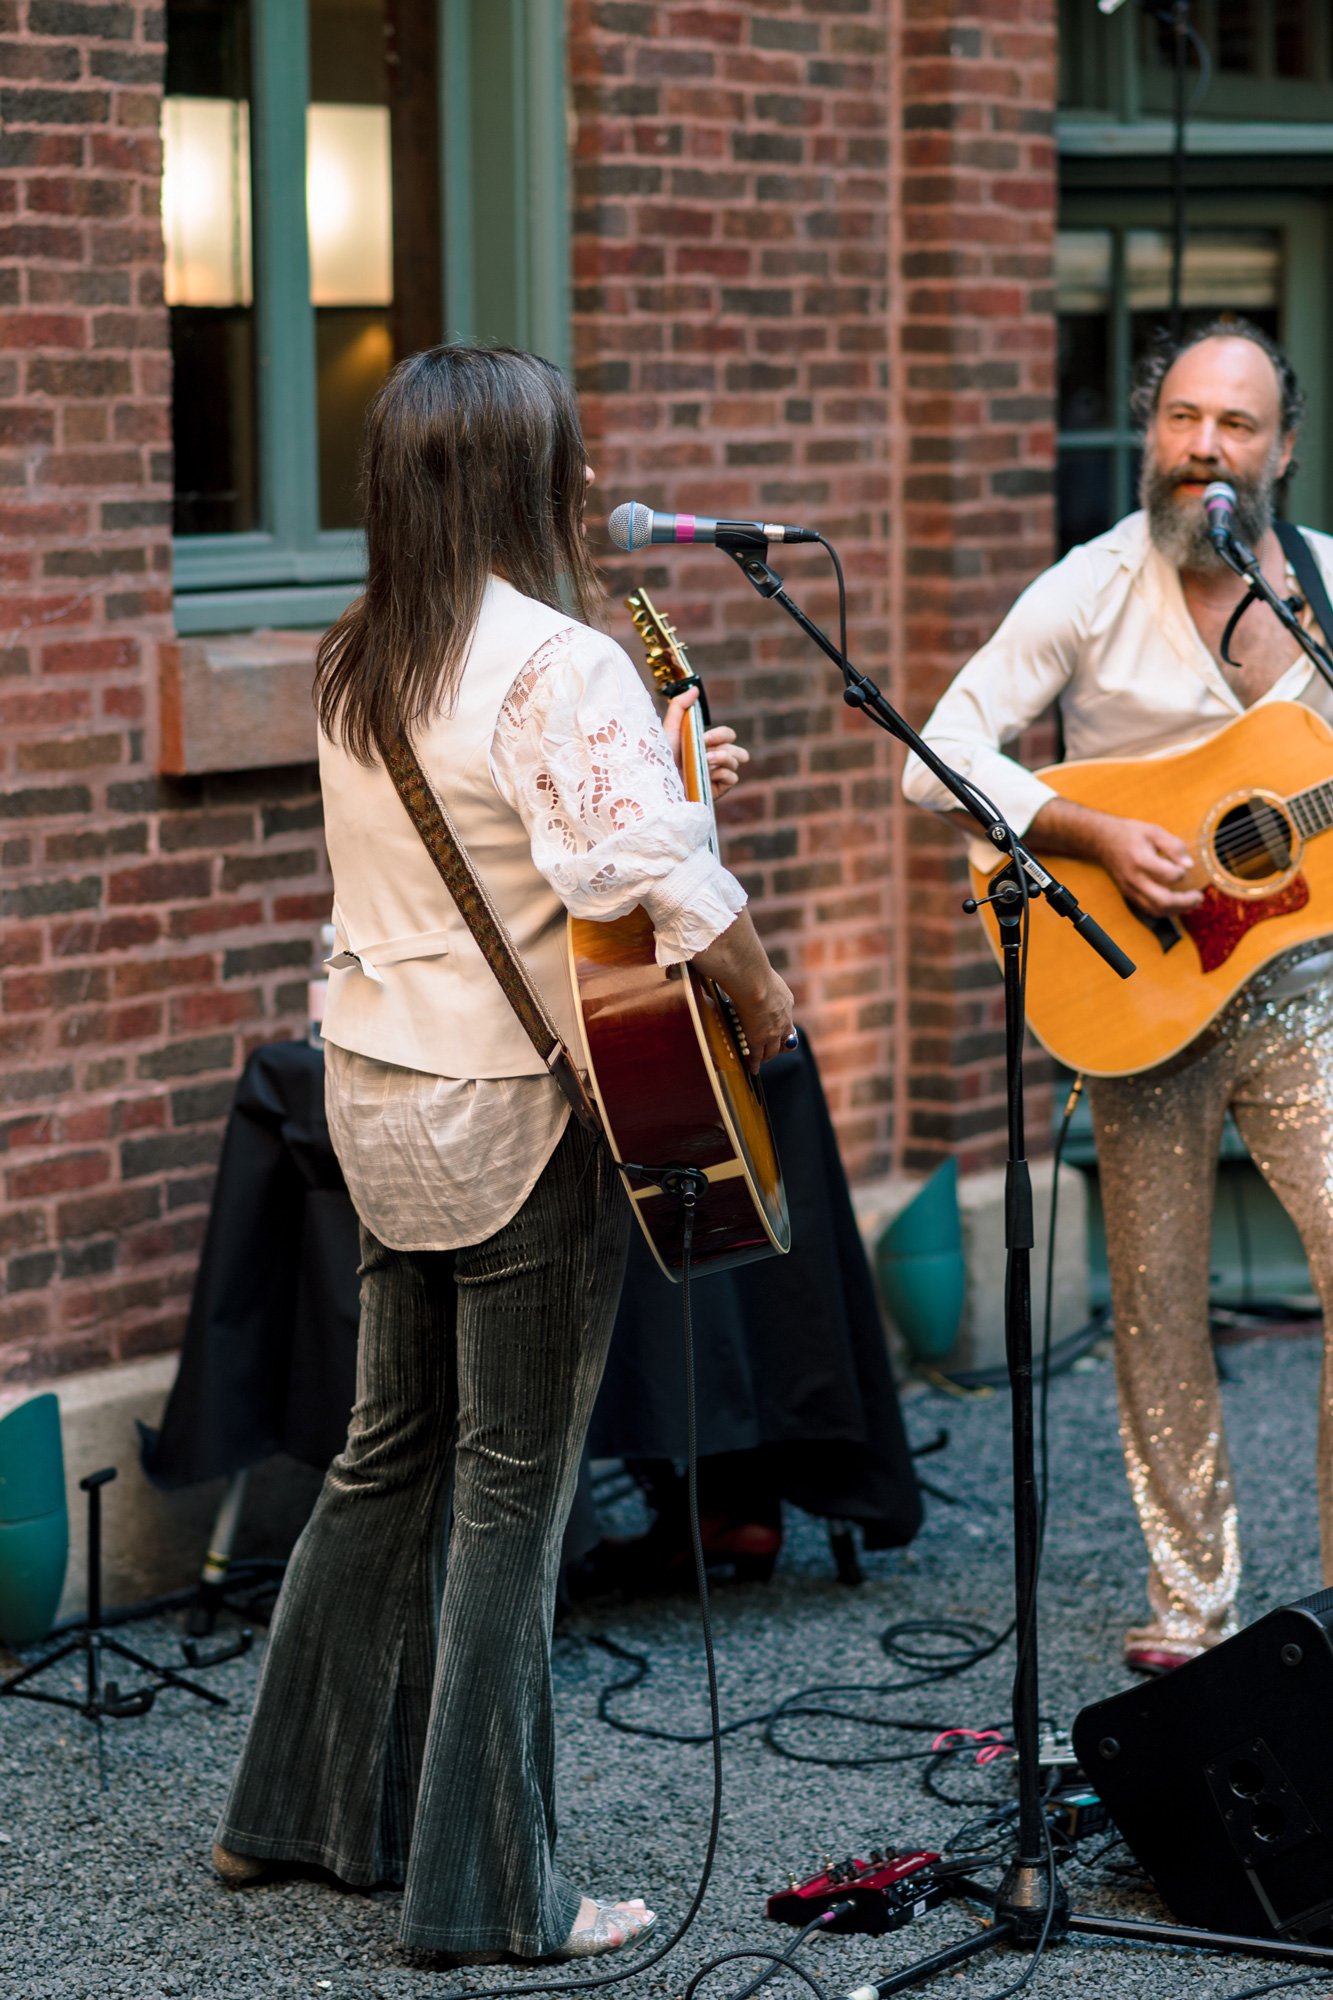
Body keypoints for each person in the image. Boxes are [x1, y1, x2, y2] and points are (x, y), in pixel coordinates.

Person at [210, 345, 794, 1961]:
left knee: (386, 1452)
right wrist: (760, 991)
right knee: (509, 1500)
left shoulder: (354, 656)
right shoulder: (558, 661)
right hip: (520, 1112)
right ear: (522, 481)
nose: (587, 483)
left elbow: (546, 845)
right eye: (567, 460)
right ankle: (491, 1895)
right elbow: (636, 886)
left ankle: (293, 1812)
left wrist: (666, 787)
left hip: (379, 1090)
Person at [902, 319, 1333, 1676]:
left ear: (1280, 448)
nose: (1205, 445)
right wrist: (1083, 831)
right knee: (1151, 1297)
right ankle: (1192, 1595)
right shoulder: (1086, 587)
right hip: (1139, 989)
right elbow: (937, 754)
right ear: (1152, 428)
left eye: (1237, 426)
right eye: (1183, 417)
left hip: (1303, 985)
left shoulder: (1317, 584)